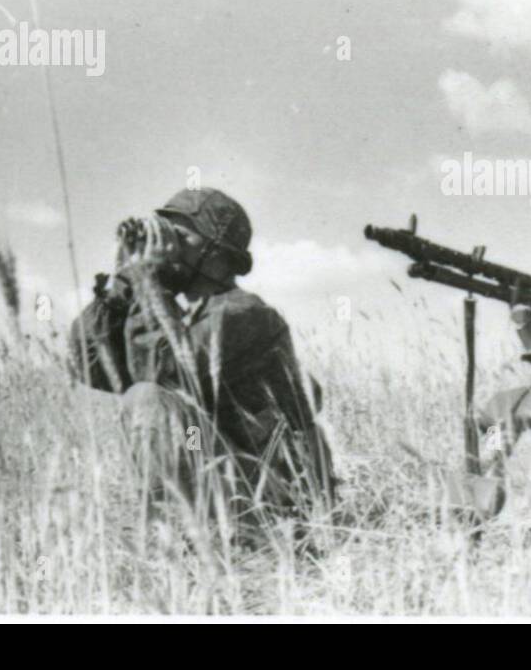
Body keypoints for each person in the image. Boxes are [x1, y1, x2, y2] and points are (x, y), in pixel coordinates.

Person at [69, 187, 335, 526]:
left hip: (274, 498)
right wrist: (123, 286)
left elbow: (162, 372)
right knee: (149, 397)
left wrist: (148, 280)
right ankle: (185, 537)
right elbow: (90, 365)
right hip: (218, 468)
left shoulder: (245, 313)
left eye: (178, 236)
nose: (166, 247)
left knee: (147, 398)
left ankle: (183, 539)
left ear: (215, 252)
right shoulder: (181, 320)